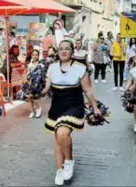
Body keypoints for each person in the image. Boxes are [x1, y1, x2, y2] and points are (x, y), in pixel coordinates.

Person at [41, 40, 101, 186]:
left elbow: (87, 90)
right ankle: (59, 170)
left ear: (72, 51)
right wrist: (35, 91)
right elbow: (46, 88)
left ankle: (69, 161)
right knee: (57, 138)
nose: (63, 51)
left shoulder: (80, 68)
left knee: (62, 133)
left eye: (67, 49)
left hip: (74, 105)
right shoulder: (52, 67)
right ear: (57, 51)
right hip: (57, 106)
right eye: (61, 49)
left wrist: (95, 107)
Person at [26, 50, 42, 119]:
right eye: (33, 54)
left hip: (36, 84)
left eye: (36, 55)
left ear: (38, 56)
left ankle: (38, 108)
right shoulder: (30, 64)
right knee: (29, 98)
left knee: (34, 98)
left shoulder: (40, 64)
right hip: (30, 83)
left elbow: (41, 75)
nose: (34, 56)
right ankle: (32, 111)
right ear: (31, 55)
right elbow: (27, 72)